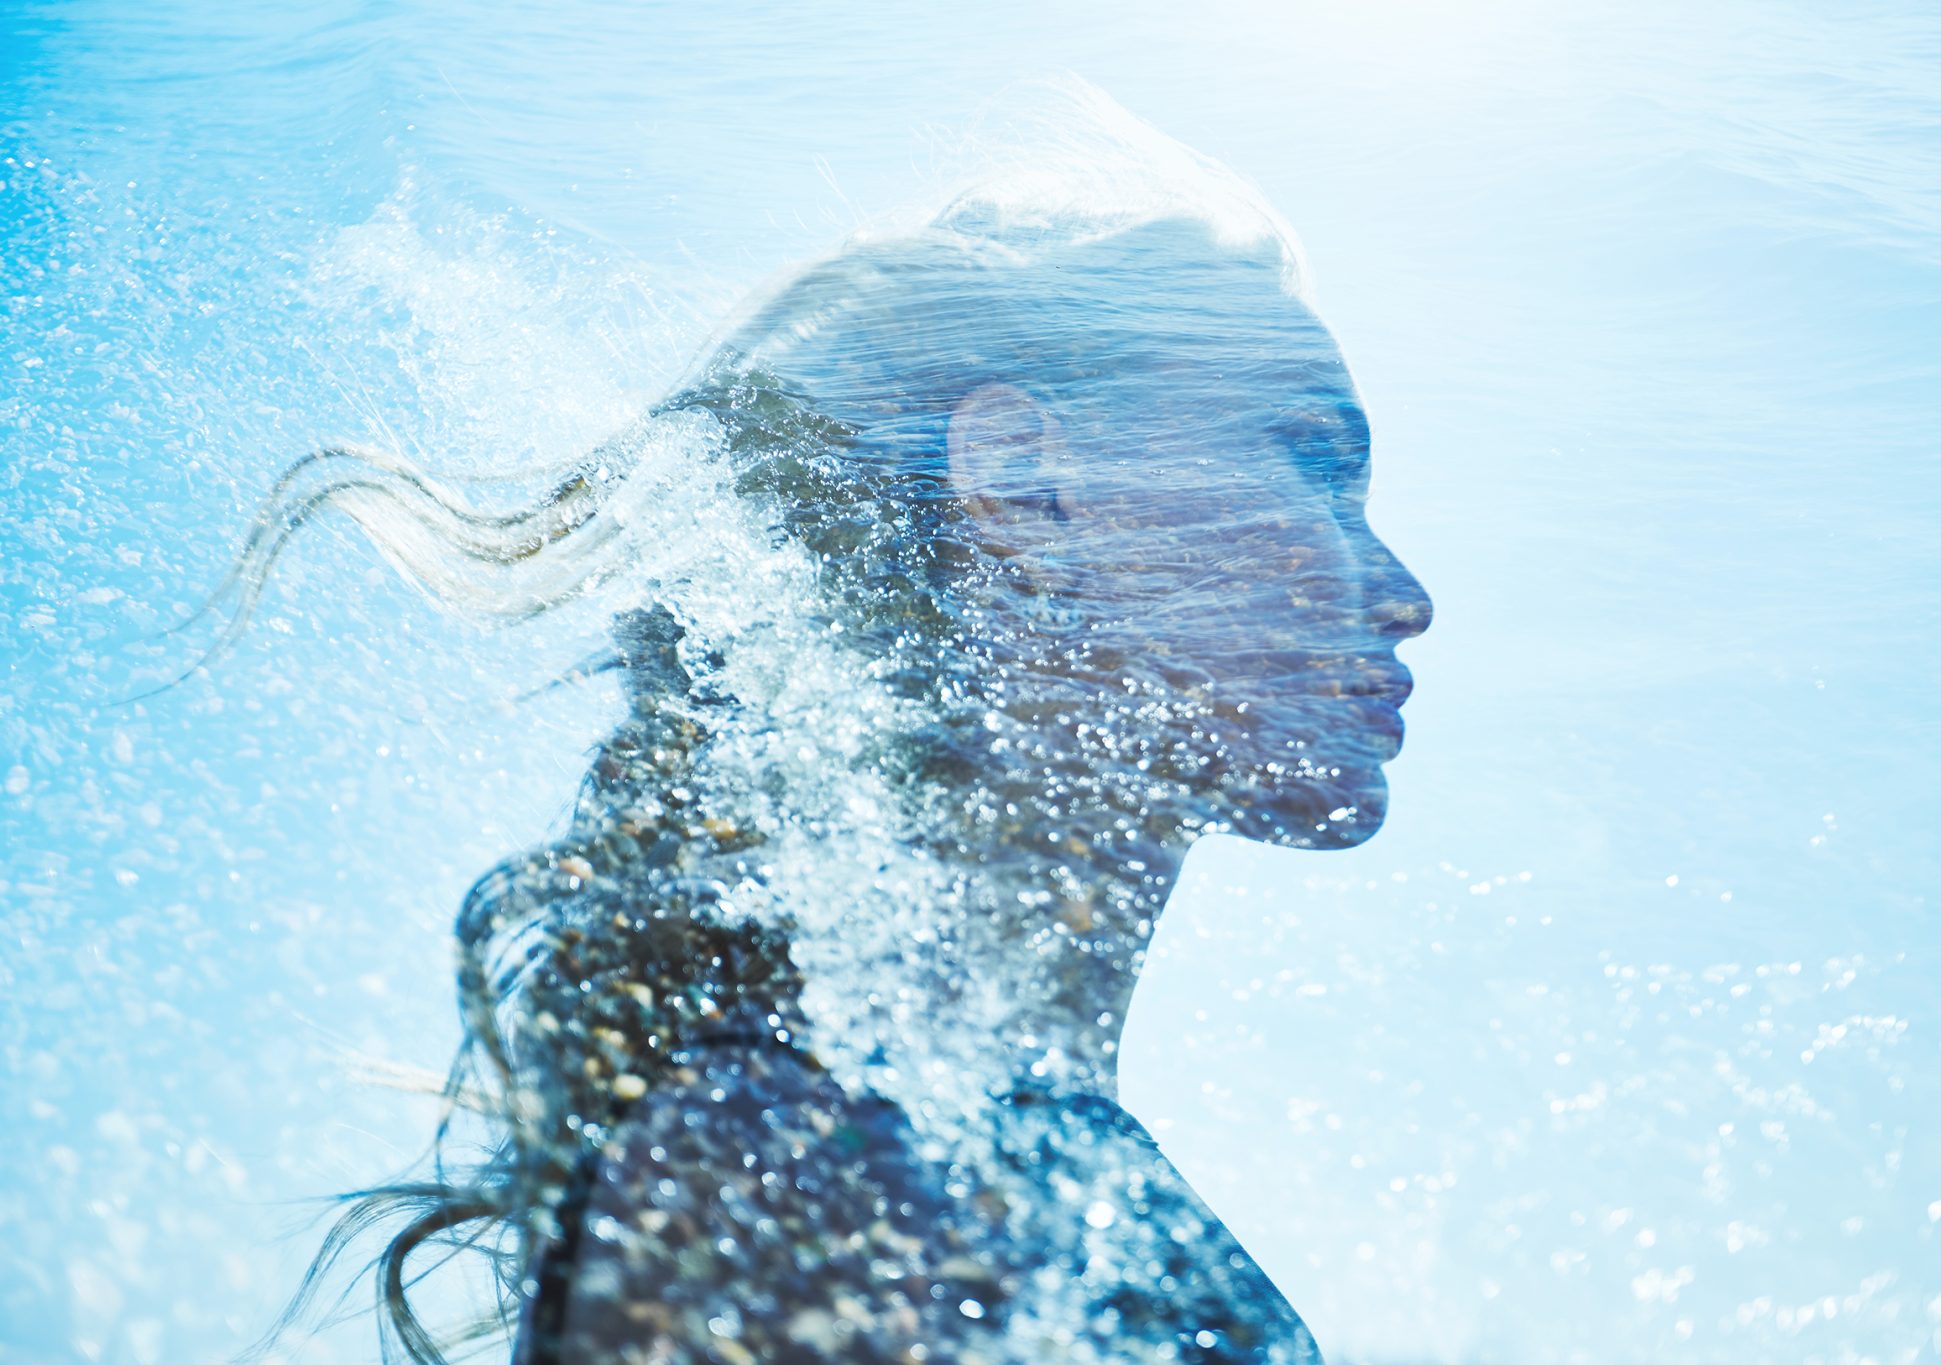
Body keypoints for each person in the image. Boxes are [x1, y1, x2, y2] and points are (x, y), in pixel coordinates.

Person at [256, 93, 1429, 1365]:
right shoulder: (783, 1160)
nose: (1404, 597)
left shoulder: (936, 1150)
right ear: (1022, 486)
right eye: (1314, 463)